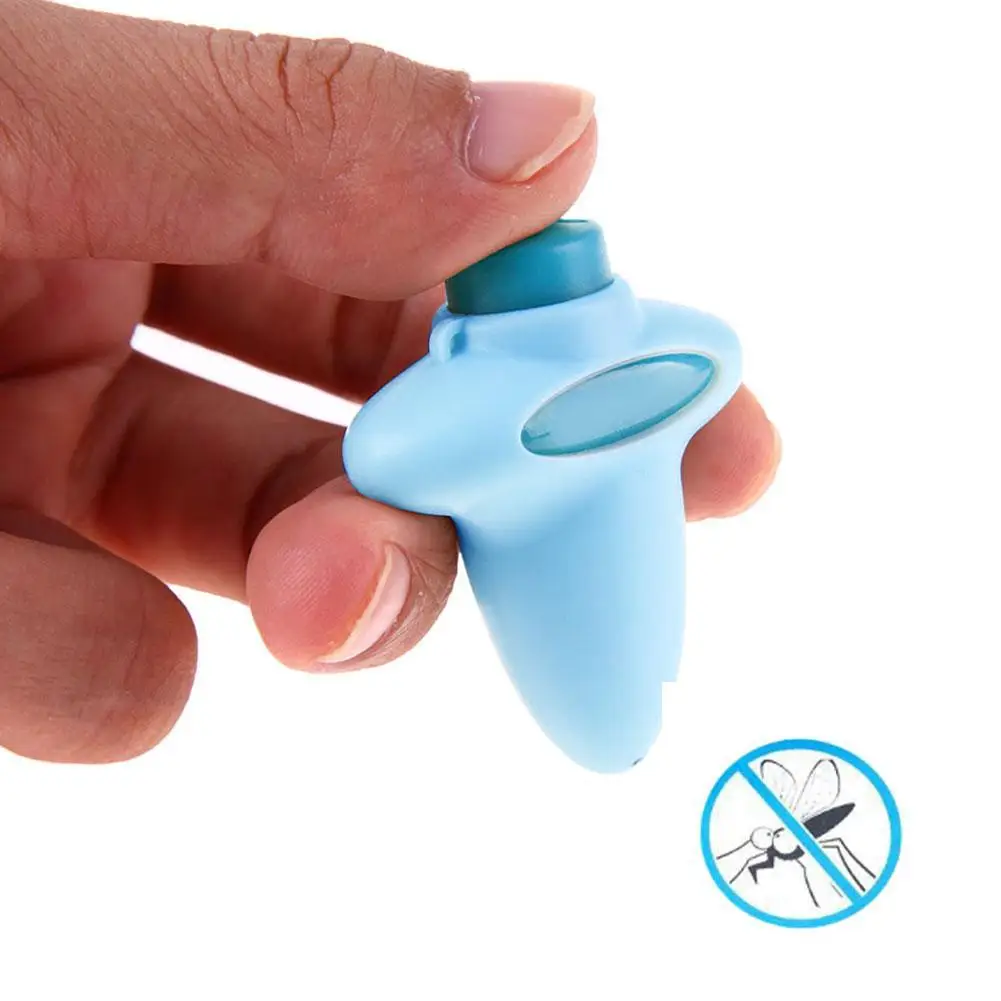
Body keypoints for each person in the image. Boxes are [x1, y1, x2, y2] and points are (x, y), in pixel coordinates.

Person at [0, 0, 780, 764]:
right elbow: (382, 455)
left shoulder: (499, 409)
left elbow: (384, 452)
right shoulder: (687, 354)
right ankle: (621, 733)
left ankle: (622, 731)